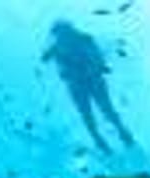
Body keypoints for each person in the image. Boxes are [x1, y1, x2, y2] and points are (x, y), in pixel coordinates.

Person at [42, 20, 136, 154]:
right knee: (93, 112)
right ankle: (109, 137)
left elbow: (97, 55)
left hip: (87, 81)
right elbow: (45, 58)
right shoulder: (71, 42)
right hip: (84, 82)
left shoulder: (81, 39)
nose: (62, 36)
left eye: (62, 32)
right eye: (59, 33)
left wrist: (99, 66)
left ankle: (115, 135)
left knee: (98, 111)